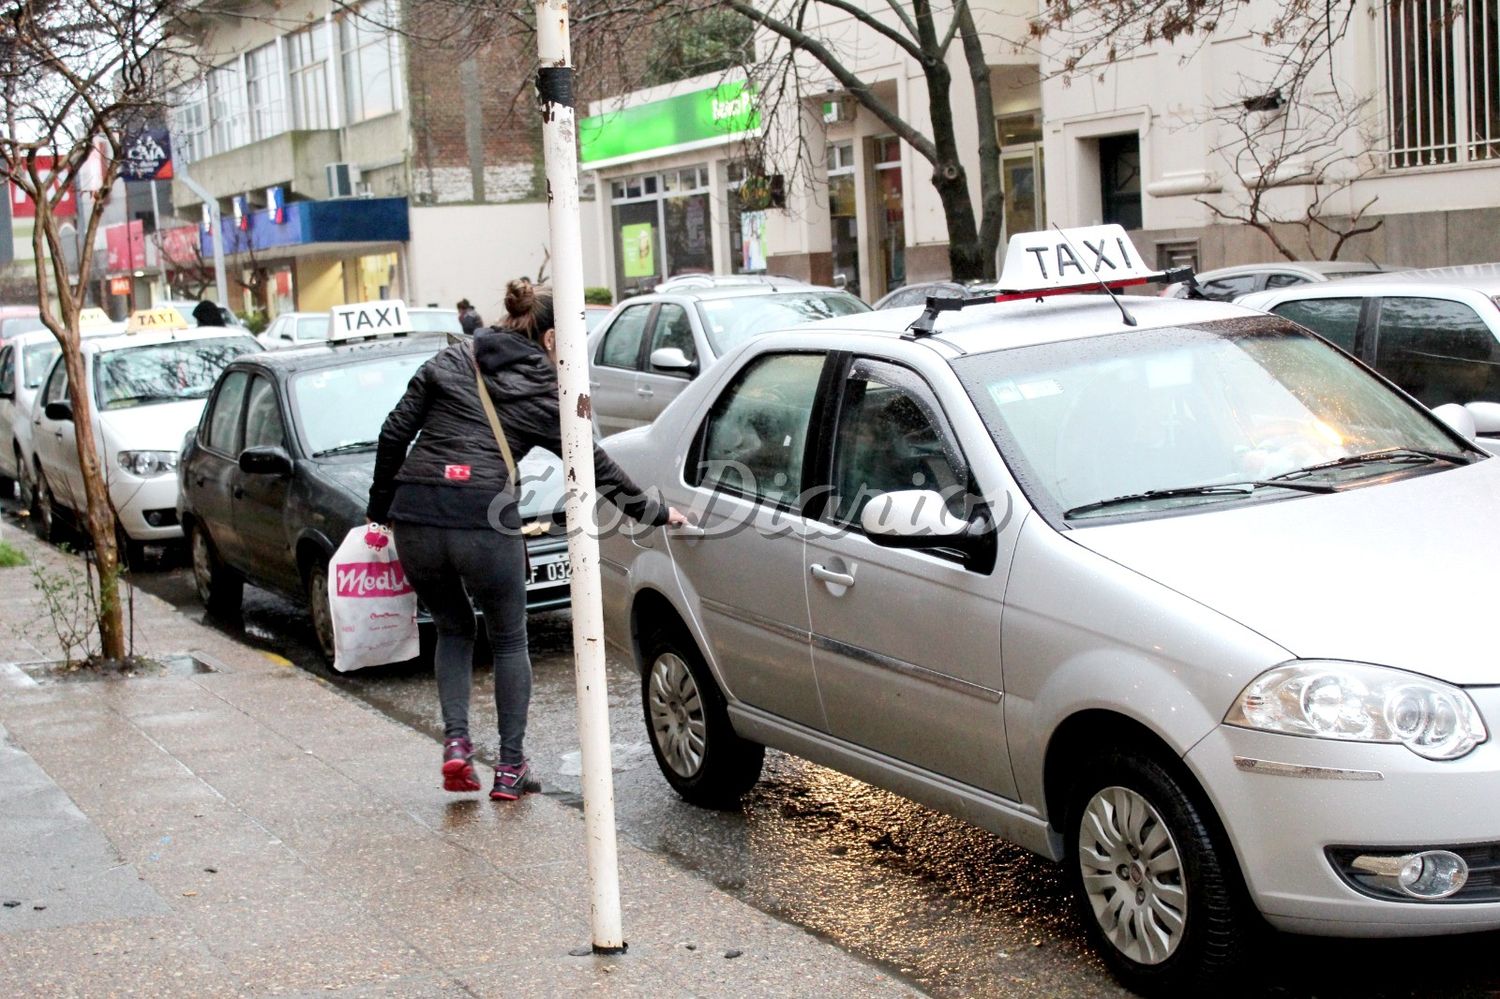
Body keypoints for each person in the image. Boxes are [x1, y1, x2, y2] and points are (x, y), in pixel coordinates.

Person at [367, 279, 687, 801]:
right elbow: (592, 464)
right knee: (510, 638)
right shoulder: (543, 384)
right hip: (479, 518)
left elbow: (392, 434)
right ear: (551, 337)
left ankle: (455, 745)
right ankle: (511, 768)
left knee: (452, 629)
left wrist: (380, 512)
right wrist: (654, 512)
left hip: (416, 516)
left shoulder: (449, 361)